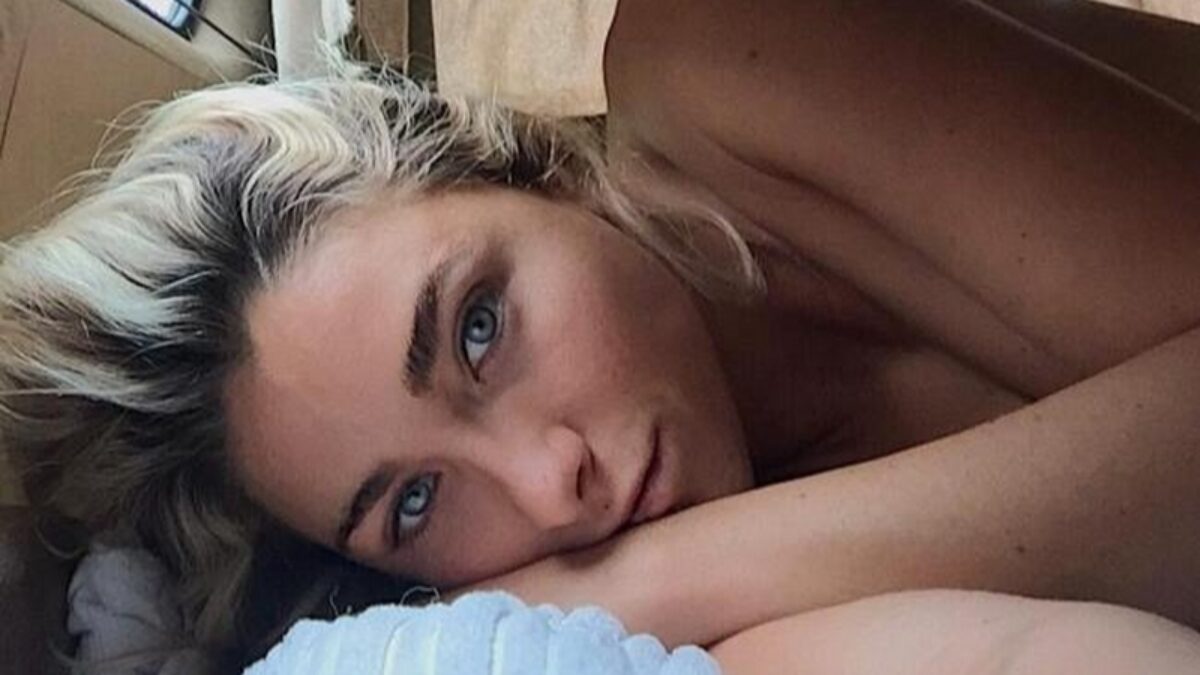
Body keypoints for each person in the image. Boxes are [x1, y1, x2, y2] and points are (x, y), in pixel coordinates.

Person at [1, 0, 1198, 670]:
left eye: (478, 329)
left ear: (529, 171)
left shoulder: (731, 55)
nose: (550, 485)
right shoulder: (677, 651)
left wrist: (655, 576)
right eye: (412, 504)